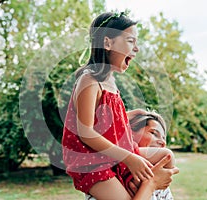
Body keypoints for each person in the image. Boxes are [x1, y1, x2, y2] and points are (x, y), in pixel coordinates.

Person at [62, 12, 179, 199]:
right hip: (92, 161)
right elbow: (86, 131)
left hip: (116, 150)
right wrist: (130, 158)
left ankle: (139, 187)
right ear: (107, 43)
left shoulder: (111, 82)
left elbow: (109, 117)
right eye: (131, 41)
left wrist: (135, 113)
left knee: (166, 156)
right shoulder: (89, 80)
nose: (137, 48)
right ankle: (146, 187)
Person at [85, 110, 176, 200]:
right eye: (154, 133)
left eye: (164, 138)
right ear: (129, 133)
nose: (163, 143)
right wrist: (150, 185)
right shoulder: (105, 181)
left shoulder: (160, 184)